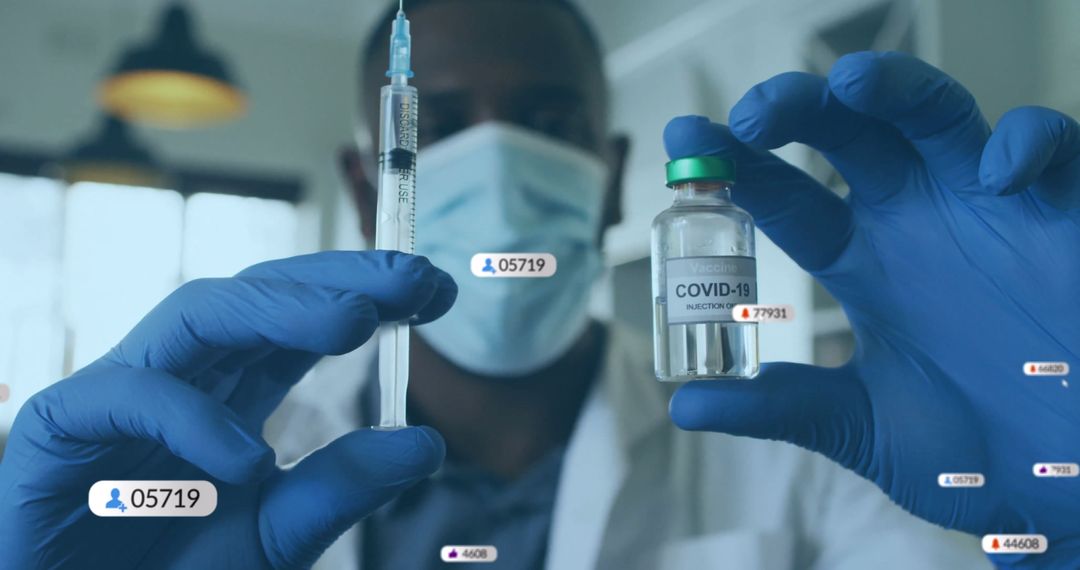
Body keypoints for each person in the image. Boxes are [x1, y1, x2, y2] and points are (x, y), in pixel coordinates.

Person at [0, 2, 1076, 570]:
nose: (502, 158)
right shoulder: (224, 451)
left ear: (612, 178)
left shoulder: (811, 471)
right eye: (444, 124)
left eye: (550, 123)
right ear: (366, 182)